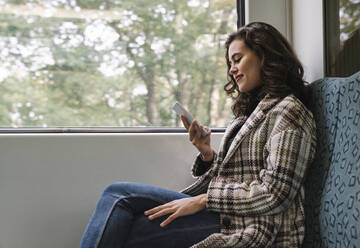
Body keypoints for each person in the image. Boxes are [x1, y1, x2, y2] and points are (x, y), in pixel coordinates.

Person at [80, 22, 317, 248]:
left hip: (255, 227)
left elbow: (275, 193)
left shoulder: (289, 111)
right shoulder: (249, 112)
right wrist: (206, 154)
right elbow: (236, 176)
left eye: (238, 59)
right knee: (122, 209)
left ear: (265, 56)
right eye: (230, 63)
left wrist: (202, 200)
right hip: (229, 213)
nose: (232, 70)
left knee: (121, 203)